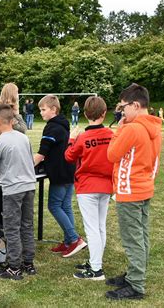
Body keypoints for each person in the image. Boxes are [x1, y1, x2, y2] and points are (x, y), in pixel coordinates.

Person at [105, 83, 162, 300]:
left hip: (129, 190)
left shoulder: (131, 128)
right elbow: (154, 161)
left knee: (132, 238)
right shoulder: (154, 128)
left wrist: (119, 129)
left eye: (123, 107)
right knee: (141, 234)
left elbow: (112, 154)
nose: (121, 112)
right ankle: (134, 274)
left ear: (135, 105)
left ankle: (136, 284)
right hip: (144, 186)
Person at [65, 96, 114, 280]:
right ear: (104, 113)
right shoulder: (111, 134)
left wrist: (71, 139)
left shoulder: (83, 137)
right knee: (100, 226)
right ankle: (96, 261)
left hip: (88, 186)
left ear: (85, 114)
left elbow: (69, 156)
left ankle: (96, 269)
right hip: (106, 185)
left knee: (92, 228)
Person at [0, 104, 36, 280]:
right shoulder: (23, 138)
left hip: (12, 190)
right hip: (29, 186)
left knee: (11, 228)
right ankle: (28, 263)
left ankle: (14, 266)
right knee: (27, 225)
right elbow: (30, 161)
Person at [34, 94, 86, 258]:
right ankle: (68, 241)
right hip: (69, 170)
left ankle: (74, 239)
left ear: (53, 109)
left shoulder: (51, 127)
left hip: (60, 172)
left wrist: (26, 166)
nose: (41, 113)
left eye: (43, 110)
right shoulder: (63, 124)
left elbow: (42, 153)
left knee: (54, 206)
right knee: (65, 206)